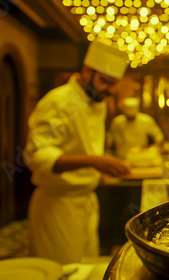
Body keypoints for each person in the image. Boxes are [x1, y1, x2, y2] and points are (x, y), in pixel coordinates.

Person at [24, 40, 131, 264]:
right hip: (57, 206)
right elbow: (37, 156)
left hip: (86, 202)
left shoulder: (98, 103)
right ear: (86, 71)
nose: (109, 90)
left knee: (83, 270)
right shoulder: (59, 101)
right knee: (62, 272)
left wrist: (99, 169)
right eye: (104, 81)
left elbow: (84, 145)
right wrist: (94, 161)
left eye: (114, 84)